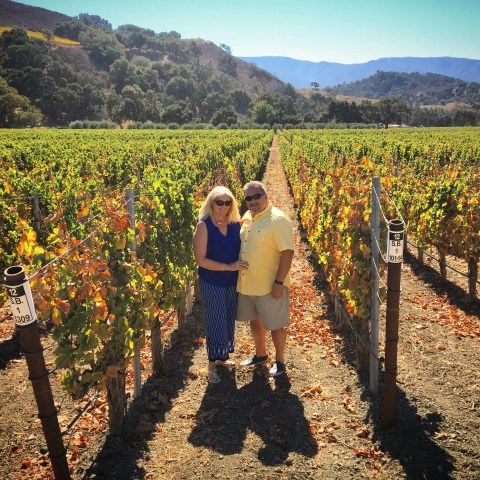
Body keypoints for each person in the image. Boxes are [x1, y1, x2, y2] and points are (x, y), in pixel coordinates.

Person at [236, 181, 295, 377]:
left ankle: (280, 362)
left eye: (257, 196)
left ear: (265, 196)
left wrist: (279, 282)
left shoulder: (278, 220)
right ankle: (260, 354)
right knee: (255, 319)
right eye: (248, 198)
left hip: (270, 285)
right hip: (248, 283)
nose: (253, 201)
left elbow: (287, 253)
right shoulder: (246, 217)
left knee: (276, 324)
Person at [193, 186, 248, 383]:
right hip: (212, 281)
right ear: (211, 203)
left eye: (228, 203)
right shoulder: (204, 226)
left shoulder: (235, 224)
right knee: (215, 320)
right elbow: (201, 260)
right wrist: (228, 266)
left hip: (232, 281)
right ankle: (210, 367)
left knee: (227, 318)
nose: (223, 206)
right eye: (219, 202)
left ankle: (222, 359)